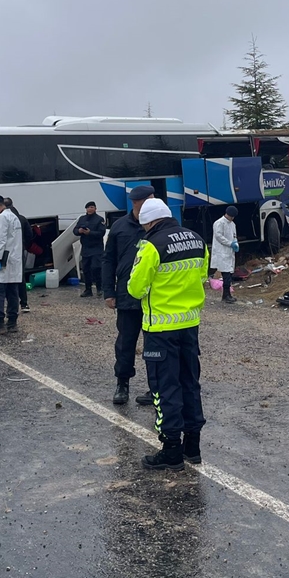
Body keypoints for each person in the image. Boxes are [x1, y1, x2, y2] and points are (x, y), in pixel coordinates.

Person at [126, 197, 209, 471]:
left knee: (164, 387)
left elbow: (135, 288)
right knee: (190, 383)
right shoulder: (197, 239)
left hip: (160, 328)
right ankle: (192, 446)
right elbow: (202, 276)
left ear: (149, 222)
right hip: (189, 324)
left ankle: (171, 449)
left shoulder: (151, 245)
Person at [102, 184, 154, 405]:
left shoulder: (157, 227)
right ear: (135, 203)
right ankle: (122, 384)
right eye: (145, 201)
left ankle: (156, 388)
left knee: (155, 345)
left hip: (153, 297)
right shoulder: (119, 227)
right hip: (126, 295)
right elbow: (108, 260)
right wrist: (109, 292)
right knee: (125, 344)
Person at [0, 195, 23, 334]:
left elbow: (0, 240)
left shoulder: (1, 218)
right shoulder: (14, 217)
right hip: (14, 260)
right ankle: (12, 322)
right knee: (12, 291)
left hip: (2, 261)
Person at [4, 198, 34, 313]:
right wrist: (24, 245)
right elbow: (29, 235)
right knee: (20, 277)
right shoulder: (21, 219)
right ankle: (24, 303)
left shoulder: (0, 219)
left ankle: (10, 304)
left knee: (6, 278)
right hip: (18, 251)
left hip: (4, 253)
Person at [73, 201, 106, 297]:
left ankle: (100, 288)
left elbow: (101, 233)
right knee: (86, 269)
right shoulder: (82, 219)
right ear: (86, 209)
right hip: (86, 248)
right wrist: (79, 231)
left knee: (96, 268)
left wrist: (90, 233)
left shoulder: (99, 219)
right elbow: (74, 230)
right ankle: (88, 289)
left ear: (95, 209)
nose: (90, 209)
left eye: (92, 207)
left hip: (96, 248)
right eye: (88, 207)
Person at [210, 206, 239, 304]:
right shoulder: (219, 223)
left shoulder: (232, 224)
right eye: (231, 216)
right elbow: (219, 236)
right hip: (221, 252)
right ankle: (226, 295)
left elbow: (234, 236)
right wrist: (229, 243)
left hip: (229, 252)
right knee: (226, 275)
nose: (232, 218)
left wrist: (235, 243)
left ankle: (227, 295)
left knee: (229, 274)